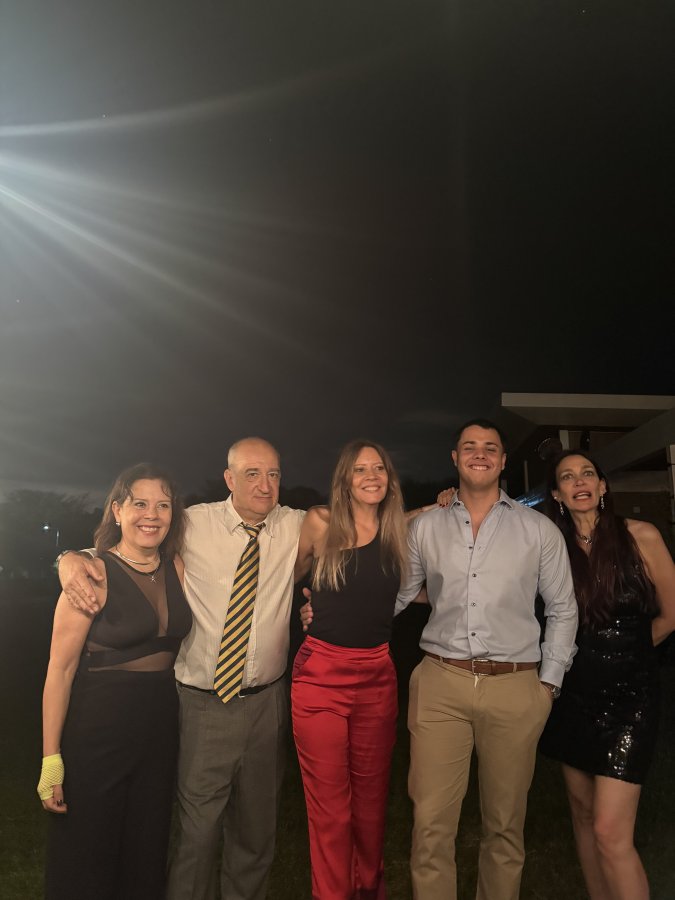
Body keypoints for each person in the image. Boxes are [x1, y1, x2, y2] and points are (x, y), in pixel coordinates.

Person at [57, 437, 305, 900]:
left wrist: (438, 507)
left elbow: (363, 523)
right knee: (197, 833)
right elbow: (133, 539)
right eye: (251, 474)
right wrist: (69, 558)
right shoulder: (191, 523)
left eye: (273, 474)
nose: (264, 485)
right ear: (229, 478)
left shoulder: (295, 525)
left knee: (256, 833)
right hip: (202, 702)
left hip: (267, 702)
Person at [395, 419, 578, 900]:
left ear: (502, 461)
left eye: (491, 447)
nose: (480, 454)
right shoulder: (426, 527)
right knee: (430, 824)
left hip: (516, 688)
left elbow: (563, 608)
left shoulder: (537, 530)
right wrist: (331, 606)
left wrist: (548, 685)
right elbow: (399, 594)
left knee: (504, 826)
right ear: (455, 458)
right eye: (470, 447)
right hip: (441, 684)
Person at [38, 463, 192, 900]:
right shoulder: (92, 573)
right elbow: (60, 670)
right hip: (99, 730)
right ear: (118, 511)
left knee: (145, 849)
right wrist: (51, 759)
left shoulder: (176, 566)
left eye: (163, 505)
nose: (152, 515)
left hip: (159, 729)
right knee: (88, 851)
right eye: (140, 503)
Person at [292, 439, 438, 900]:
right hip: (321, 675)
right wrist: (305, 606)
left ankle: (369, 888)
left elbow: (405, 585)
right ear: (344, 480)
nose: (371, 476)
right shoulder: (319, 522)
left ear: (390, 479)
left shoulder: (398, 531)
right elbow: (284, 578)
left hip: (377, 675)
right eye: (360, 469)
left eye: (379, 468)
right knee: (331, 809)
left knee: (372, 805)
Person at [539, 451, 675, 900]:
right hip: (572, 697)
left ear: (602, 486)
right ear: (557, 494)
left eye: (588, 474)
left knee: (609, 831)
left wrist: (628, 654)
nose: (579, 481)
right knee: (582, 817)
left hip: (629, 699)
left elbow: (671, 615)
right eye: (567, 477)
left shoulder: (641, 536)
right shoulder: (550, 548)